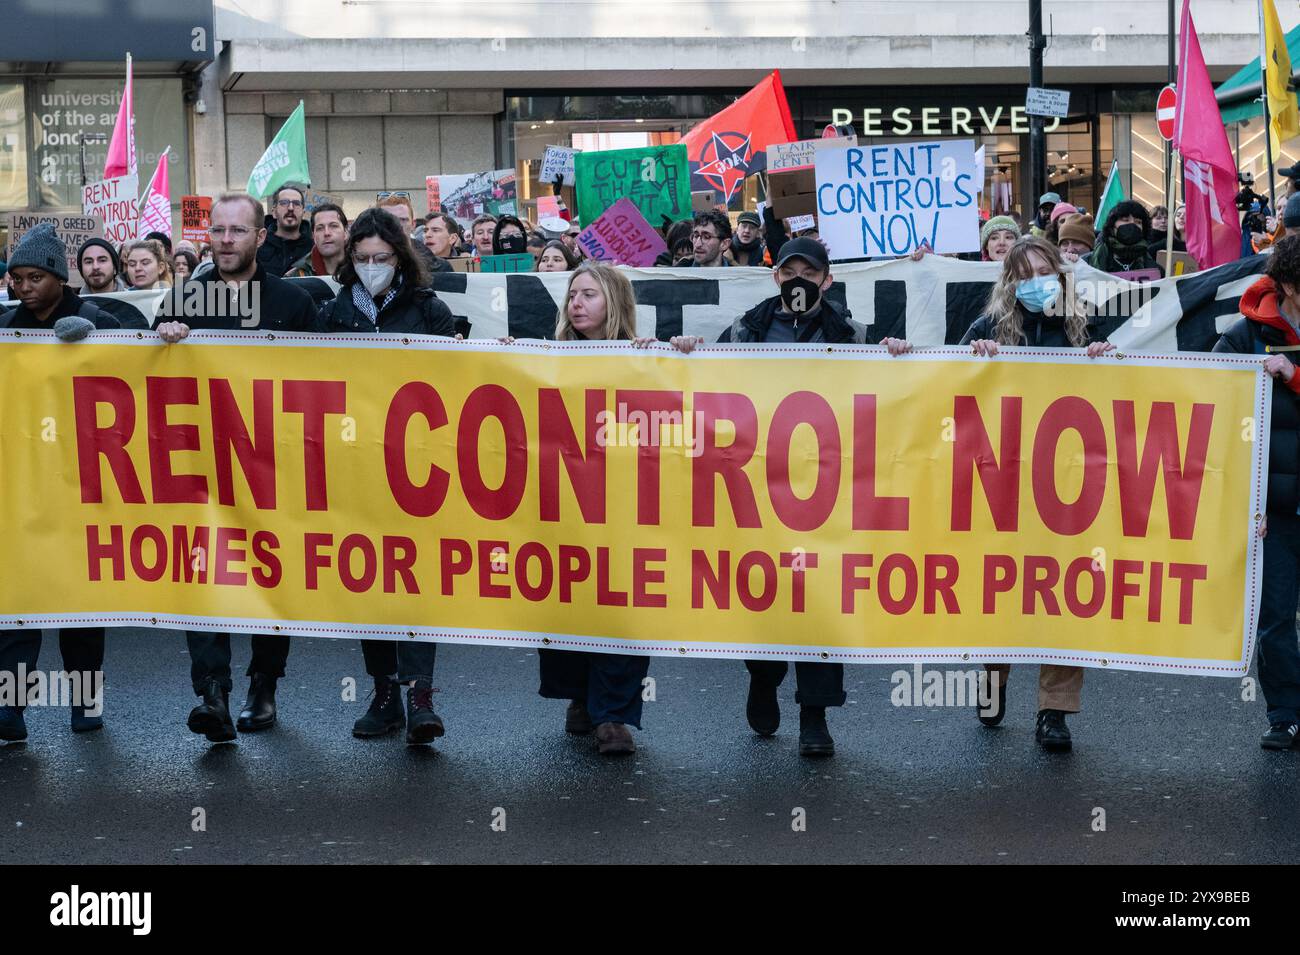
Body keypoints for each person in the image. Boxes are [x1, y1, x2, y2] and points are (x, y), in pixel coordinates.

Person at [675, 237, 910, 757]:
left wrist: (894, 357)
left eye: (810, 271)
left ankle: (815, 714)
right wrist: (690, 354)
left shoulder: (853, 335)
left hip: (828, 493)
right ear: (775, 278)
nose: (798, 279)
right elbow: (708, 388)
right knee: (768, 595)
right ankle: (763, 676)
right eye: (789, 271)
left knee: (823, 602)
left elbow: (890, 398)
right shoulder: (744, 331)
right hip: (760, 489)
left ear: (827, 281)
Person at [154, 192, 318, 744]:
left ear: (260, 237)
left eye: (237, 231)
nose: (224, 240)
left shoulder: (294, 304)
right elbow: (145, 374)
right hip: (202, 470)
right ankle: (213, 694)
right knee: (204, 576)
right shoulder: (183, 299)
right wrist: (164, 336)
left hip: (273, 469)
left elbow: (326, 381)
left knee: (270, 581)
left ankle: (263, 686)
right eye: (217, 230)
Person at [960, 236, 1115, 752]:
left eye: (1042, 269)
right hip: (1004, 486)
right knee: (1003, 587)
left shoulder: (1088, 326)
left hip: (1068, 490)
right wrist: (972, 358)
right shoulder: (988, 328)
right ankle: (993, 679)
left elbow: (1128, 389)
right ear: (1009, 282)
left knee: (1065, 596)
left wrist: (1105, 358)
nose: (1035, 282)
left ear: (1061, 272)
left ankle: (1055, 711)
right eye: (1023, 274)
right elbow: (949, 389)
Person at [310, 208, 454, 744]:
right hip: (356, 468)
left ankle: (420, 694)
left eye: (382, 258)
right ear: (351, 259)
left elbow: (458, 378)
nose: (372, 266)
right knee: (369, 578)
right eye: (363, 258)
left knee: (414, 580)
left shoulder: (428, 310)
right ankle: (385, 692)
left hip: (416, 469)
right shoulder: (333, 313)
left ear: (401, 257)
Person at [0, 224, 120, 742]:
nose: (23, 287)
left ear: (57, 276)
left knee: (79, 600)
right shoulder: (7, 329)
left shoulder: (97, 319)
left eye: (33, 277)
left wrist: (101, 345)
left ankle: (85, 701)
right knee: (17, 602)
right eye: (16, 278)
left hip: (81, 484)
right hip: (23, 484)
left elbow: (143, 357)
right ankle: (10, 708)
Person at [534, 262, 659, 755]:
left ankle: (614, 715)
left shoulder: (642, 357)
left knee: (622, 607)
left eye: (589, 294)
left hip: (624, 504)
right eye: (572, 295)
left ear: (615, 302)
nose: (577, 303)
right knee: (571, 598)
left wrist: (678, 357)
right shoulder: (549, 358)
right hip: (565, 502)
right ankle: (580, 697)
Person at [1213, 234, 1300, 749]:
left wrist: (1293, 376)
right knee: (1274, 617)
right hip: (1276, 506)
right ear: (1287, 285)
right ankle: (1284, 713)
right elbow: (1212, 400)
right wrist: (1245, 499)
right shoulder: (1247, 334)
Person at [1087, 200, 1160, 274]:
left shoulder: (1153, 267)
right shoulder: (1088, 262)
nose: (1132, 224)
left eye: (1138, 222)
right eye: (1125, 220)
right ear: (1112, 226)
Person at [255, 182, 312, 276]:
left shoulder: (313, 248)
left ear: (303, 212)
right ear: (274, 212)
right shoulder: (257, 245)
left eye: (296, 203)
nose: (290, 208)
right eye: (284, 203)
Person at [287, 202, 349, 278]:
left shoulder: (361, 270)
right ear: (314, 236)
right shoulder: (296, 277)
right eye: (320, 228)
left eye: (333, 226)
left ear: (345, 232)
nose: (327, 233)